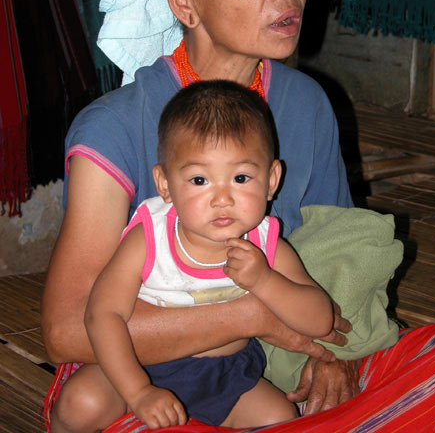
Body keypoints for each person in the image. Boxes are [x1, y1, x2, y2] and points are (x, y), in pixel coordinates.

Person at [41, 0, 435, 433]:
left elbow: (338, 252)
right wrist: (254, 315)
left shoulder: (306, 104)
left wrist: (328, 354)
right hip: (130, 372)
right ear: (185, 2)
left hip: (269, 361)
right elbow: (67, 332)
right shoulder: (112, 127)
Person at [53, 80, 335, 432]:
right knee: (80, 404)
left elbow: (320, 320)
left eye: (241, 177)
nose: (222, 198)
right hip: (138, 365)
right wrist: (139, 391)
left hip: (227, 377)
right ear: (165, 184)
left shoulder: (265, 244)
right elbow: (101, 314)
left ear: (272, 179)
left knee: (280, 418)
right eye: (200, 180)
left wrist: (265, 280)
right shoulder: (150, 237)